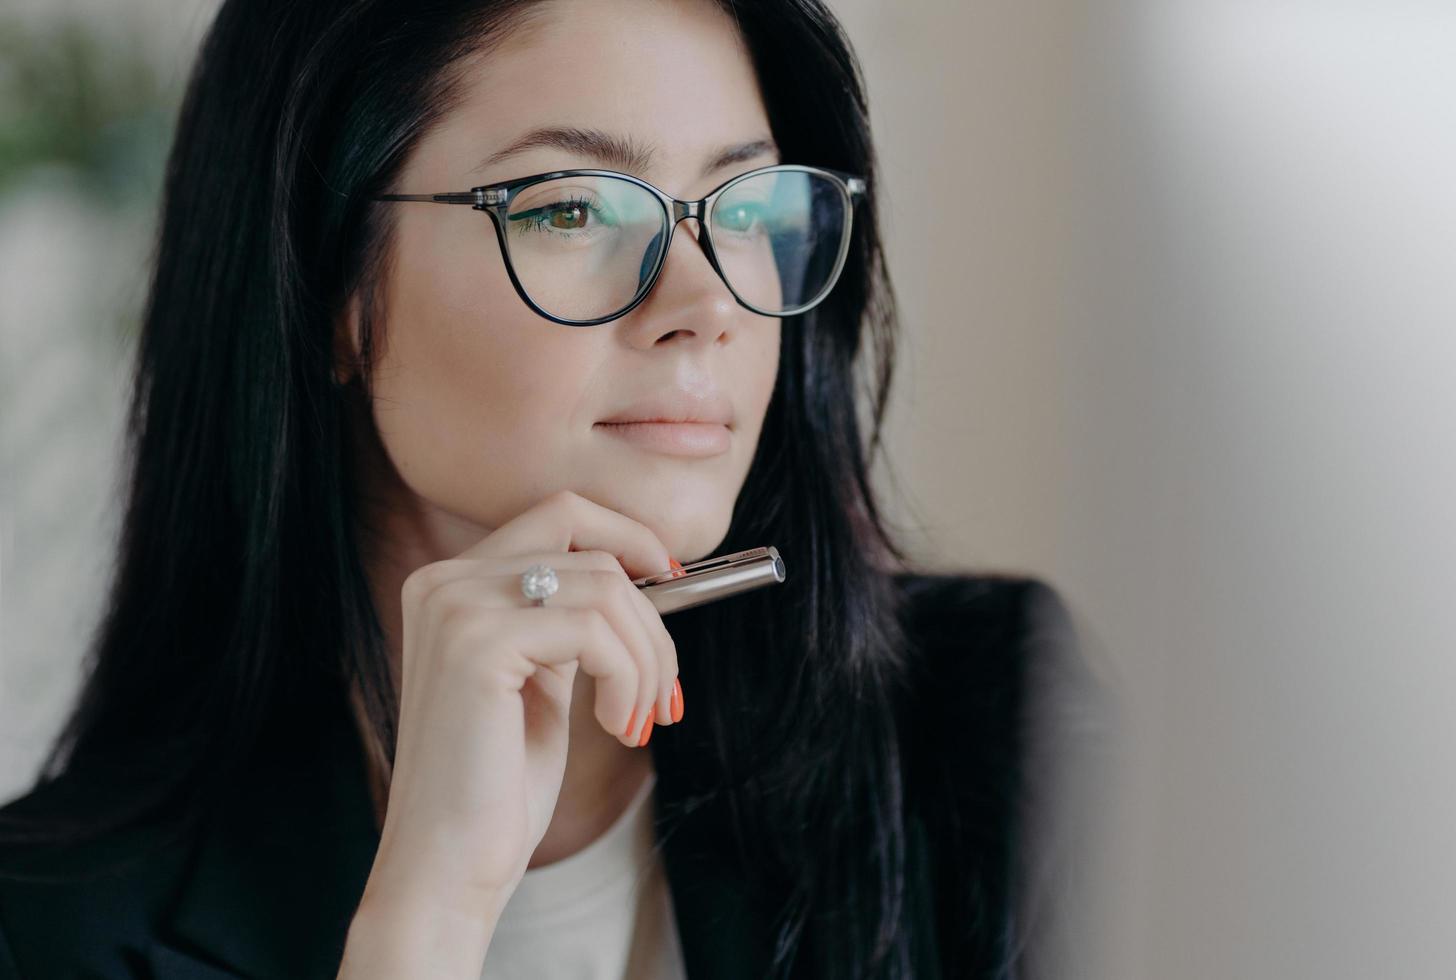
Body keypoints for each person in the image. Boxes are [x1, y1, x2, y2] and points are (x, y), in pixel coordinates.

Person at [0, 0, 1106, 977]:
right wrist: (427, 914)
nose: (706, 301)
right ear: (330, 277)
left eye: (748, 206)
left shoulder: (992, 734)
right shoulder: (49, 926)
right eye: (573, 208)